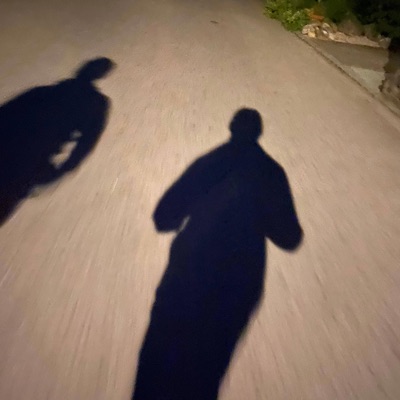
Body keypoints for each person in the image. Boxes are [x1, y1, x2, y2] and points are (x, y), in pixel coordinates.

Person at [133, 108, 303, 400]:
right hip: (238, 287)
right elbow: (290, 238)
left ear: (231, 127)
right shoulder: (272, 173)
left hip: (187, 276)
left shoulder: (209, 163)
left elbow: (163, 216)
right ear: (259, 134)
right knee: (205, 375)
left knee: (155, 367)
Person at [0, 57, 114, 224]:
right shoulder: (95, 105)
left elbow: (4, 114)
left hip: (17, 157)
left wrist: (65, 168)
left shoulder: (42, 93)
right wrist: (64, 169)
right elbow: (86, 144)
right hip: (28, 164)